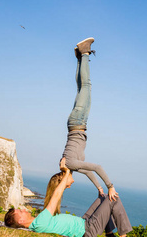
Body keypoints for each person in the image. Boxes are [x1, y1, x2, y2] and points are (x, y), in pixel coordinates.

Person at [46, 37, 118, 215]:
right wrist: (99, 188)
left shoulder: (69, 163)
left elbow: (97, 167)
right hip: (76, 123)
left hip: (78, 122)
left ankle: (84, 52)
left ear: (63, 178)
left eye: (66, 185)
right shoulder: (72, 166)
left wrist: (110, 186)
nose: (70, 185)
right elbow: (88, 171)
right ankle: (80, 57)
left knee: (86, 86)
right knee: (81, 88)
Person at [4, 166, 140, 237]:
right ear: (20, 221)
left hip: (84, 223)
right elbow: (56, 196)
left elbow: (53, 197)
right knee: (113, 199)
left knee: (104, 198)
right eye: (19, 212)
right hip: (88, 230)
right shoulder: (40, 222)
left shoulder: (38, 222)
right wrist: (67, 171)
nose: (22, 209)